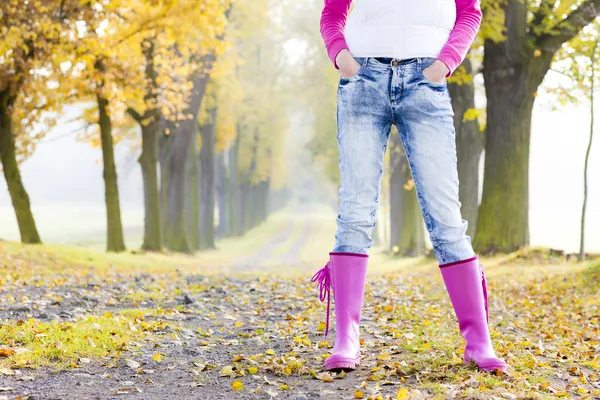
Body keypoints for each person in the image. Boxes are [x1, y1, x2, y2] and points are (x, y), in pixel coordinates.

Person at [311, 0, 508, 373]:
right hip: (362, 81)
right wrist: (342, 58)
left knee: (446, 216)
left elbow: (470, 12)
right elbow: (332, 14)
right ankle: (346, 337)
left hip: (425, 80)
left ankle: (479, 341)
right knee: (355, 211)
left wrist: (444, 64)